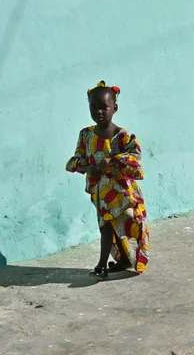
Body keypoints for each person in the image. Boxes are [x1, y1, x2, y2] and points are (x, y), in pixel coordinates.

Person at [66, 81, 150, 281]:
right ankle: (106, 265)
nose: (99, 112)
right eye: (93, 107)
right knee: (107, 227)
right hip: (101, 193)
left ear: (115, 108)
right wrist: (88, 167)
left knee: (128, 226)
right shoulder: (86, 135)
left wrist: (112, 160)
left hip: (123, 193)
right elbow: (75, 160)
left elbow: (135, 157)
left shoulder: (123, 136)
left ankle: (113, 262)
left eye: (104, 107)